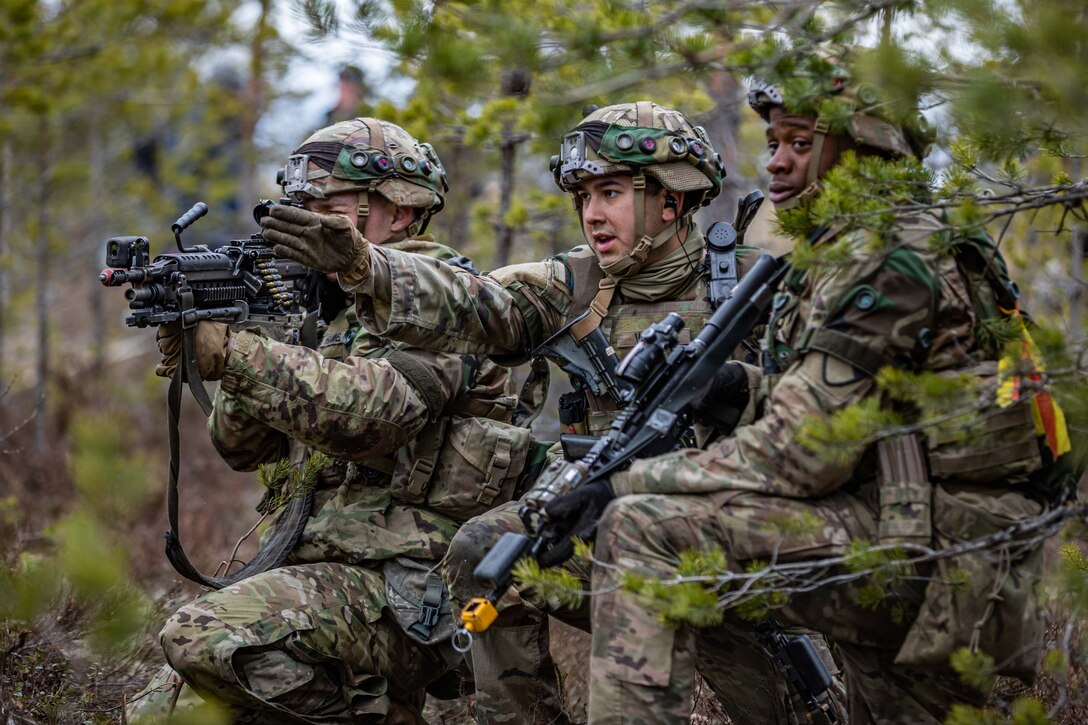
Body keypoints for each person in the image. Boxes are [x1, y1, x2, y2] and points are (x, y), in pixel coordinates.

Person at [270, 100, 845, 723]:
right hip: (611, 527)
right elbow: (476, 301)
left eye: (613, 192)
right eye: (584, 195)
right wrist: (367, 267)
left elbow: (828, 418)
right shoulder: (570, 284)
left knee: (799, 707)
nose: (593, 213)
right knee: (488, 550)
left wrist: (738, 383)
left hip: (737, 542)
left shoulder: (760, 290)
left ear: (672, 200)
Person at [545, 48, 1062, 723]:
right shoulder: (845, 249)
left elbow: (805, 451)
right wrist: (740, 387)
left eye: (800, 142)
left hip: (936, 554)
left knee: (646, 526)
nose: (777, 161)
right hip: (904, 521)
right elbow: (862, 415)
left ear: (864, 149)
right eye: (773, 141)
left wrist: (620, 484)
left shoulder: (893, 258)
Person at [127, 118, 536, 723]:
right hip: (321, 573)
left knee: (204, 637)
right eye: (302, 206)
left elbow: (376, 415)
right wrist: (233, 345)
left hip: (415, 591)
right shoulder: (325, 309)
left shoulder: (449, 298)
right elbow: (241, 449)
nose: (310, 221)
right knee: (158, 713)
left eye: (329, 205)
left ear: (397, 210)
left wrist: (242, 355)